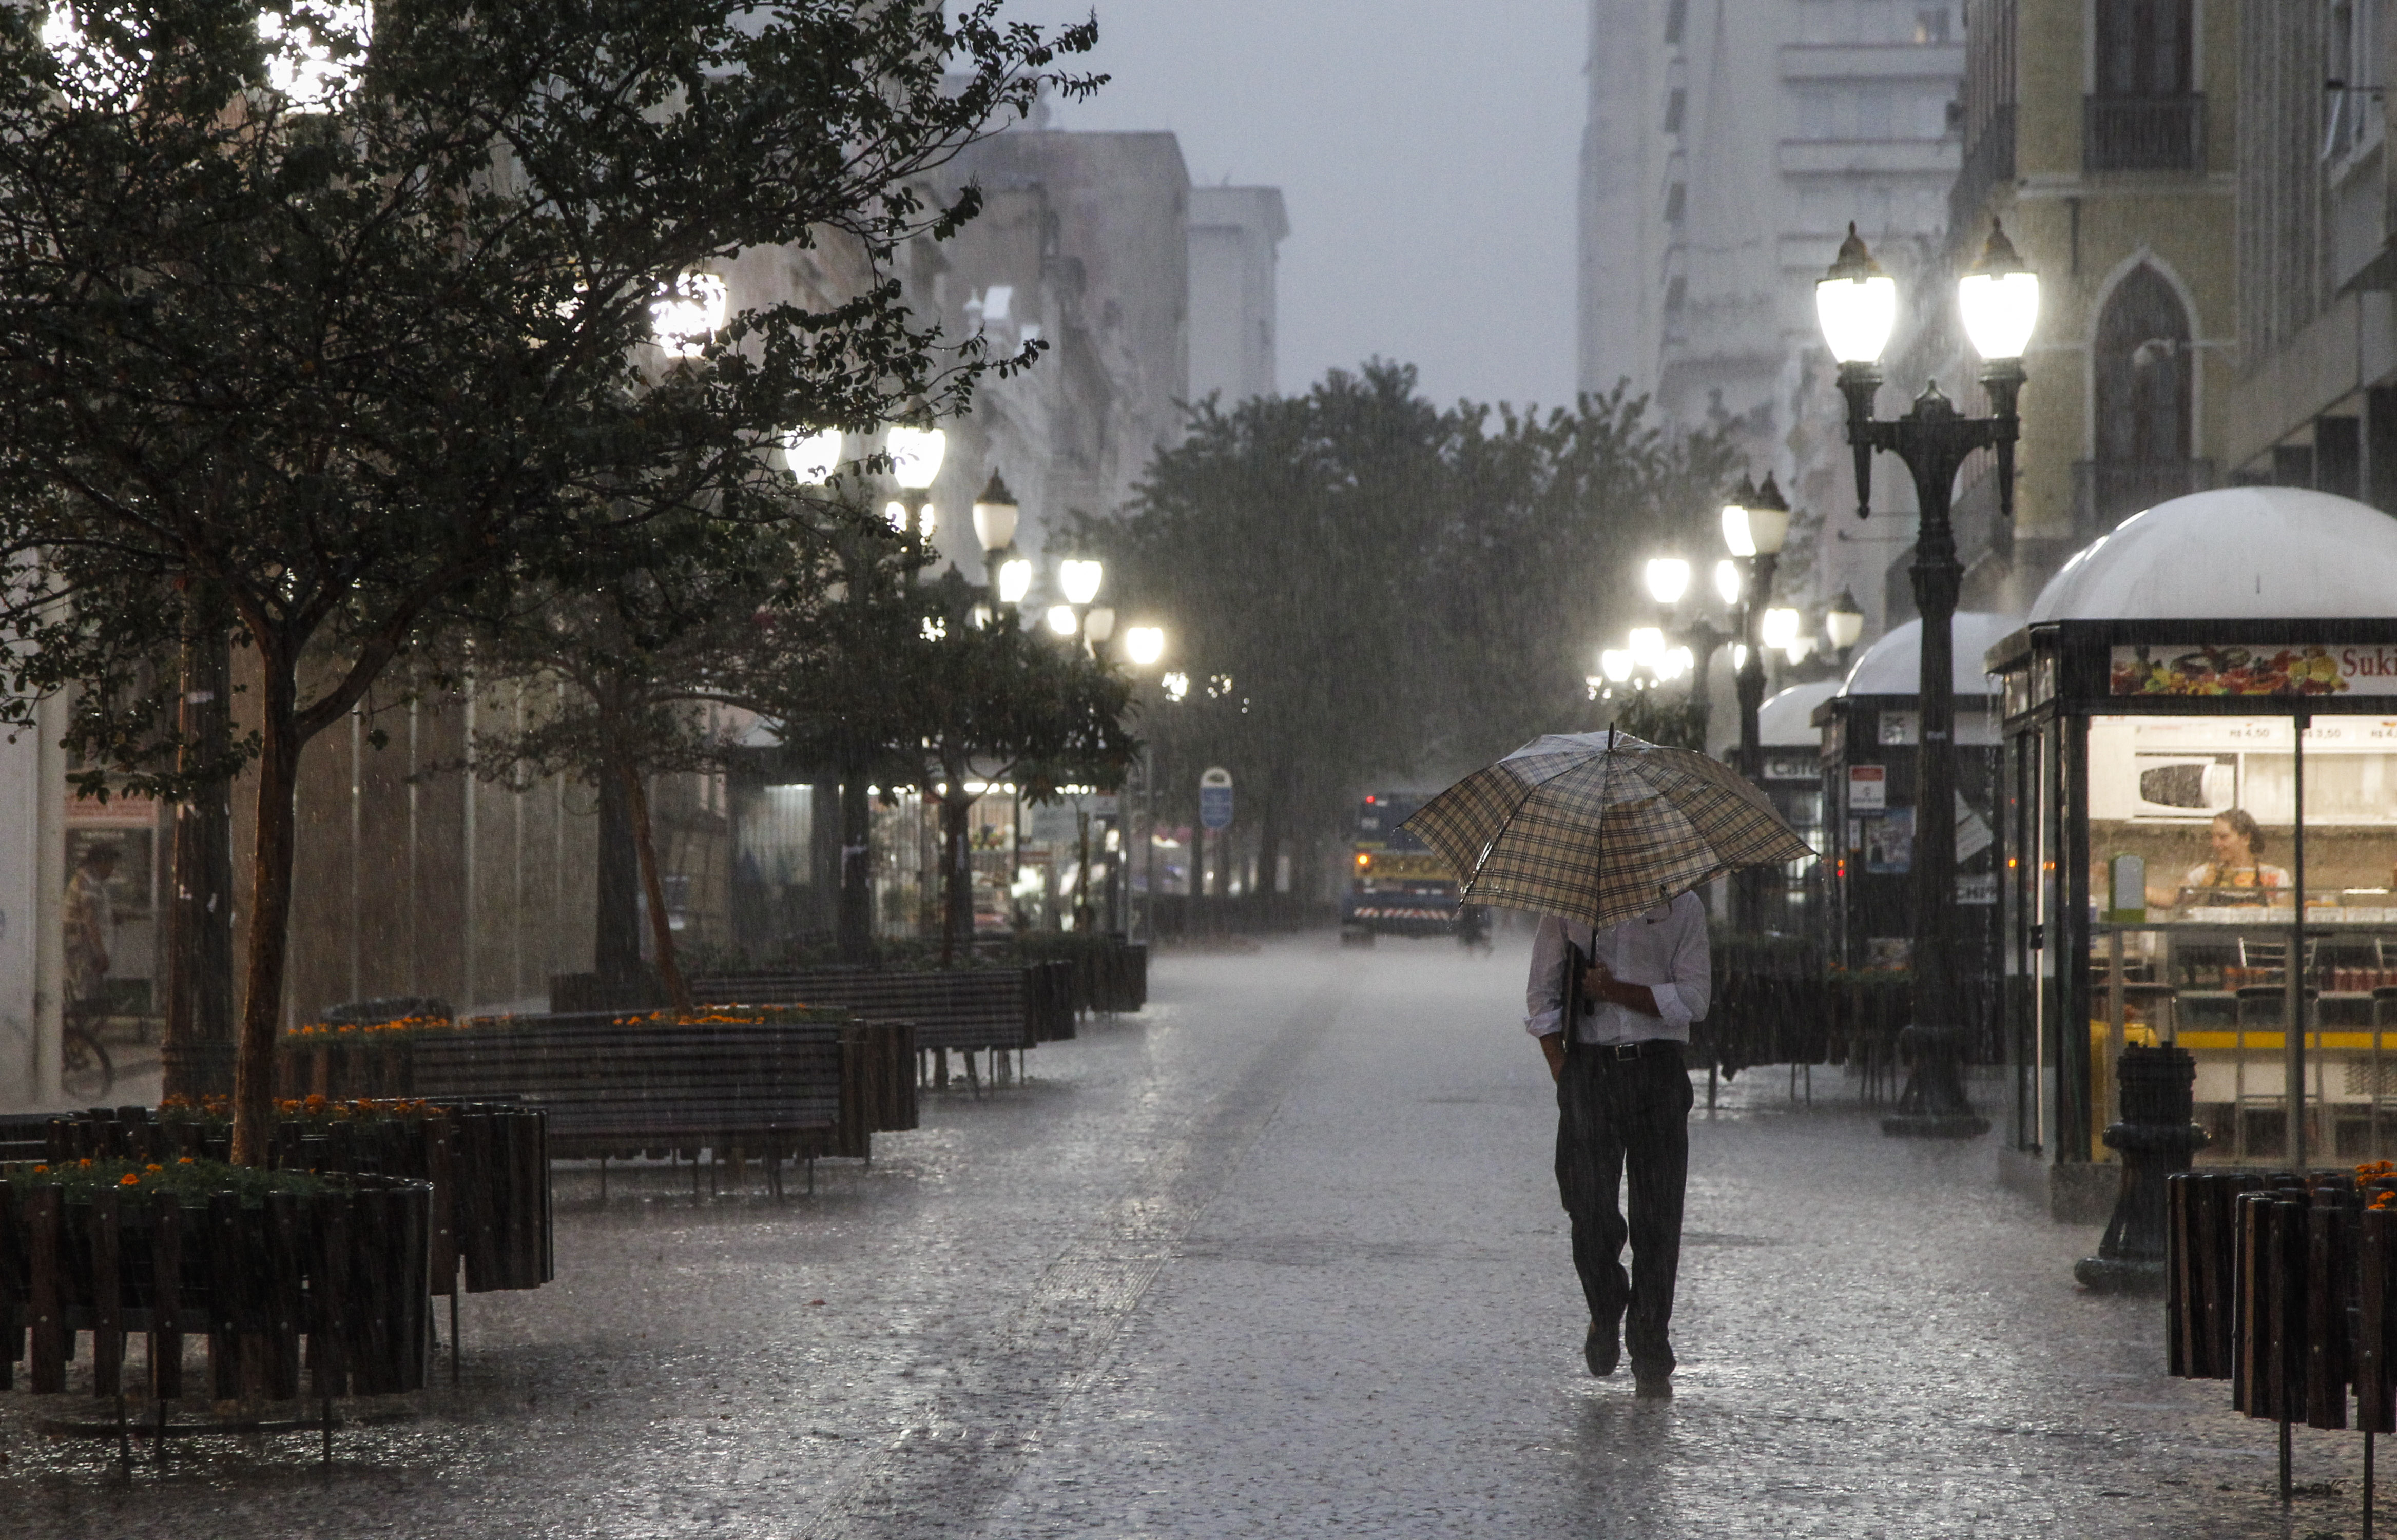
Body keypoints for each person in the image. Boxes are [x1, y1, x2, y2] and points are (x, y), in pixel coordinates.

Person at [1525, 889, 1710, 1399]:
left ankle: (1650, 1343)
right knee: (1586, 1206)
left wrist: (1617, 990)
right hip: (1590, 1071)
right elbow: (1541, 996)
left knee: (1658, 1216)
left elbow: (1694, 999)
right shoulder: (1568, 904)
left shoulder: (1684, 907)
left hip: (1657, 1072)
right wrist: (1565, 1074)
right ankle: (1606, 1303)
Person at [2147, 809, 2290, 909]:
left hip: (2258, 945)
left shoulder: (2275, 877)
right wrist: (2139, 891)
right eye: (2213, 837)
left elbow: (2287, 921)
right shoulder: (2207, 873)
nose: (2215, 844)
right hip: (2216, 944)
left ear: (2246, 839)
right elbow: (2170, 898)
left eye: (2223, 837)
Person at [63, 842, 120, 1025]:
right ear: (100, 862)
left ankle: (82, 1030)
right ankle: (79, 1032)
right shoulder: (86, 881)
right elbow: (89, 919)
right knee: (83, 995)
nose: (112, 869)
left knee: (89, 992)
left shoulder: (92, 881)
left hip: (84, 946)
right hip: (81, 947)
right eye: (110, 863)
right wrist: (100, 952)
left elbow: (96, 912)